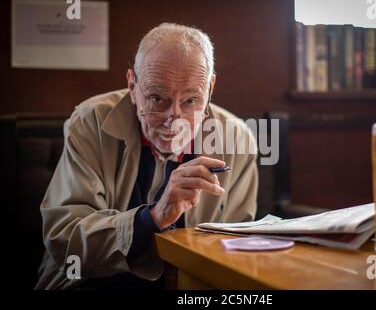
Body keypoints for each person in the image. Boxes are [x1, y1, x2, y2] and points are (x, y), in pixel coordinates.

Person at [34, 23, 258, 289]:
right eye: (156, 98)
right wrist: (152, 217)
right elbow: (66, 242)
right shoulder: (90, 121)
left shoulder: (238, 138)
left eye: (191, 100)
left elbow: (237, 245)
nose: (174, 120)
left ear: (210, 88)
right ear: (132, 85)